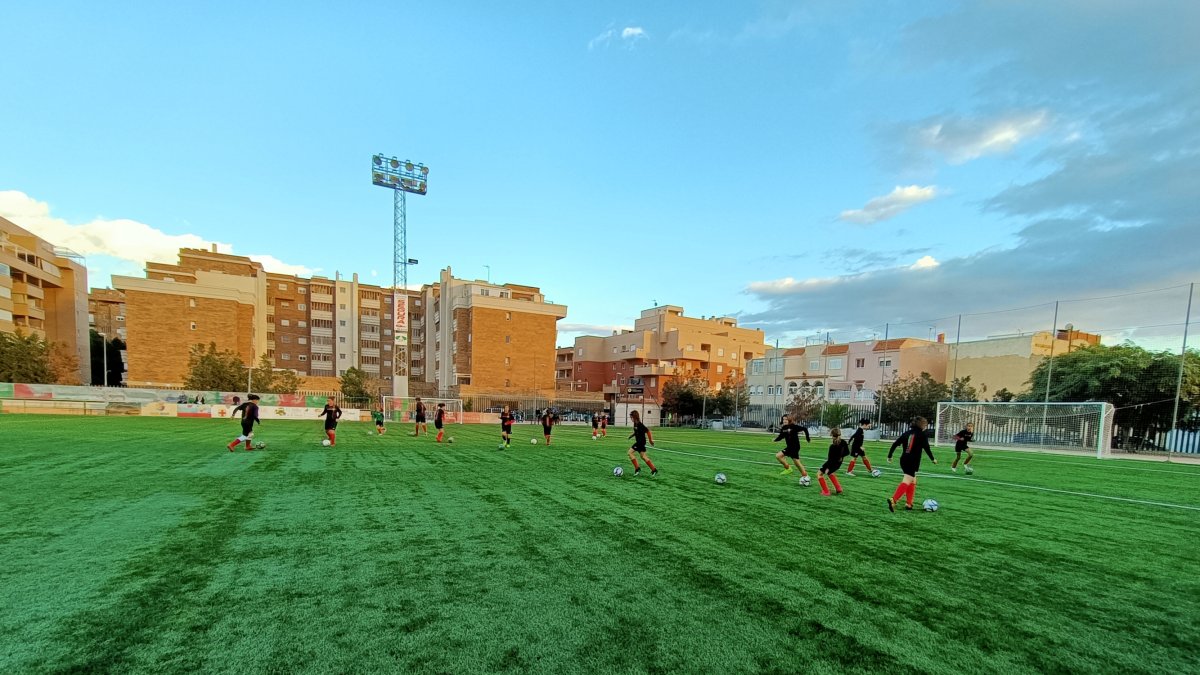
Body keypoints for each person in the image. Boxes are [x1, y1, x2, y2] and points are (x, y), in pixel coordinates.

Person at [887, 416, 937, 512]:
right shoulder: (922, 435)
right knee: (907, 480)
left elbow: (895, 444)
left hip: (904, 459)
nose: (926, 426)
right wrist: (933, 459)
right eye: (925, 424)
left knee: (913, 480)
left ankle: (909, 504)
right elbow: (927, 448)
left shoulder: (907, 433)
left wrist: (890, 456)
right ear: (922, 425)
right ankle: (893, 499)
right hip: (912, 461)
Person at [818, 428, 849, 496]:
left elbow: (830, 459)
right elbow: (847, 452)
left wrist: (828, 468)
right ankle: (838, 488)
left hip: (832, 463)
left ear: (832, 435)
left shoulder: (832, 446)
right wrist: (841, 457)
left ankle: (826, 492)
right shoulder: (844, 442)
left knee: (819, 474)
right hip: (838, 463)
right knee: (830, 473)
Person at [627, 410, 657, 477]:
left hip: (640, 442)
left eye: (631, 417)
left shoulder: (640, 424)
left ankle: (637, 469)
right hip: (640, 442)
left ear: (635, 417)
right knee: (643, 457)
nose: (631, 419)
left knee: (629, 453)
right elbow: (636, 432)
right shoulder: (635, 424)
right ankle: (654, 469)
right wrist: (631, 436)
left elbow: (648, 431)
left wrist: (650, 440)